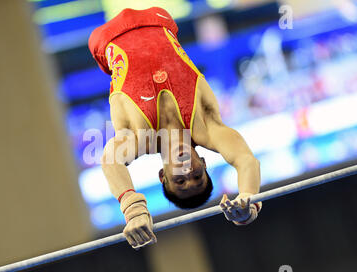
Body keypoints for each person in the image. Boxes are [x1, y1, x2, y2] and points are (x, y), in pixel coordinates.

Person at [88, 7, 262, 250]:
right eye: (197, 176)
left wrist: (133, 208)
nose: (187, 170)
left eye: (180, 180)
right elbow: (246, 160)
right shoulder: (207, 127)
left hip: (106, 37)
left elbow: (110, 160)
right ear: (203, 162)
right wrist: (249, 199)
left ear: (163, 175)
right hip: (158, 19)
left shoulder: (141, 139)